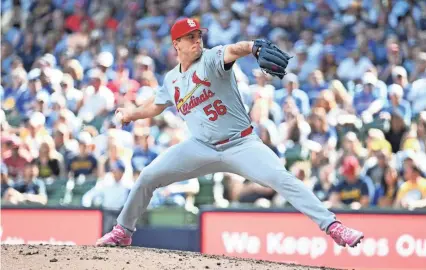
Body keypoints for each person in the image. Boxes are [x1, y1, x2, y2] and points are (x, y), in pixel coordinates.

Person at [96, 18, 363, 248]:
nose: (197, 40)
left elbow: (235, 50)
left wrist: (254, 47)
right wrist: (130, 114)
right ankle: (123, 231)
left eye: (198, 35)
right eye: (190, 37)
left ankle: (333, 227)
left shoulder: (211, 58)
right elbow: (156, 105)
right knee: (148, 177)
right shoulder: (171, 79)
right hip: (200, 147)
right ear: (176, 44)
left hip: (241, 144)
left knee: (282, 178)